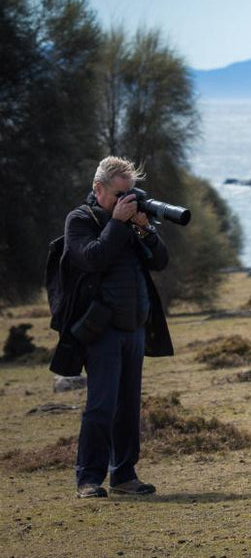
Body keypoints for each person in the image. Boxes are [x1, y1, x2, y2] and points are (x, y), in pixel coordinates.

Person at [52, 156, 173, 498]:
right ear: (98, 188)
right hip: (100, 330)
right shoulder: (80, 220)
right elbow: (92, 258)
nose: (127, 200)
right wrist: (118, 224)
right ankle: (89, 479)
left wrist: (145, 230)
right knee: (102, 405)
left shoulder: (129, 221)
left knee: (129, 406)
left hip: (133, 326)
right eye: (120, 194)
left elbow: (160, 261)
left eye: (130, 193)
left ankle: (124, 475)